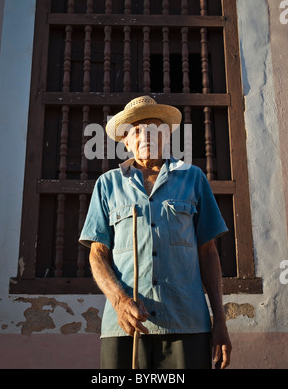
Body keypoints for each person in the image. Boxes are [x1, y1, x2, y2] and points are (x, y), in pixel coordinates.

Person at [79, 95, 232, 370]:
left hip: (188, 323)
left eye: (154, 129)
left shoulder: (193, 178)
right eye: (137, 131)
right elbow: (97, 255)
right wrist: (119, 301)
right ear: (125, 141)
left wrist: (219, 321)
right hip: (125, 326)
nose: (146, 136)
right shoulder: (107, 184)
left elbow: (208, 253)